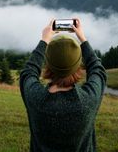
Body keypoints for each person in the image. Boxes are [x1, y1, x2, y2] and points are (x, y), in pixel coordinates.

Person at [20, 18, 107, 151]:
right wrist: (82, 38)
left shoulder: (35, 98)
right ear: (78, 65)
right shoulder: (88, 100)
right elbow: (98, 70)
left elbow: (28, 72)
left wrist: (44, 40)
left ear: (47, 64)